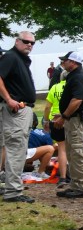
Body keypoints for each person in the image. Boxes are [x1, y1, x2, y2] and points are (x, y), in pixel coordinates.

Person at [0, 31, 38, 203]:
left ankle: (12, 188)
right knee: (16, 149)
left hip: (23, 110)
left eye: (32, 43)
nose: (29, 44)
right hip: (16, 111)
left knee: (18, 149)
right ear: (17, 41)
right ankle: (13, 192)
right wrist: (8, 99)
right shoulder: (11, 57)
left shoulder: (20, 59)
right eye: (25, 41)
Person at [54, 51, 83, 199]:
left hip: (78, 120)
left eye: (65, 60)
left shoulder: (78, 77)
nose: (63, 63)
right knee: (72, 153)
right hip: (74, 119)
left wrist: (64, 116)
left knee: (80, 152)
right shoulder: (75, 76)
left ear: (73, 62)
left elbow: (77, 100)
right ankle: (76, 185)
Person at [44, 67, 69, 186]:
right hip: (70, 119)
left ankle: (63, 177)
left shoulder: (55, 87)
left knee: (61, 149)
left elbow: (47, 107)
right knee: (73, 149)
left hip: (55, 119)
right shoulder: (73, 86)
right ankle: (74, 175)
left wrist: (45, 120)